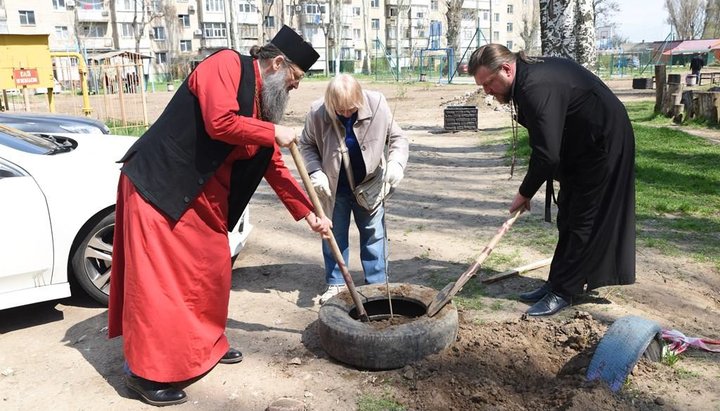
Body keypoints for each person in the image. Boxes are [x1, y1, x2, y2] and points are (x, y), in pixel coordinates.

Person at [108, 25, 332, 406]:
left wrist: (310, 213)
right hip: (159, 187)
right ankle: (146, 374)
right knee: (158, 286)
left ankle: (205, 348)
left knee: (211, 272)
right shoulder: (226, 64)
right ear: (278, 63)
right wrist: (273, 131)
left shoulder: (264, 105)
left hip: (203, 201)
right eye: (293, 80)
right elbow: (220, 122)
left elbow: (273, 165)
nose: (294, 89)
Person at [468, 44, 635, 316]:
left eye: (488, 83)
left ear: (507, 69)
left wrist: (524, 193)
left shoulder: (534, 86)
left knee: (583, 220)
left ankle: (565, 291)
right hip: (582, 145)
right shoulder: (526, 79)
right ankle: (556, 282)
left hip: (603, 144)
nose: (486, 91)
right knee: (568, 215)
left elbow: (546, 154)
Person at [299, 74, 409, 304]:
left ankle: (377, 284)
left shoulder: (377, 103)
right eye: (340, 110)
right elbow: (307, 145)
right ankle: (336, 282)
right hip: (332, 186)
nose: (346, 114)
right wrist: (314, 171)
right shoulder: (317, 111)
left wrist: (397, 163)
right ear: (330, 103)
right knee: (334, 234)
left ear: (359, 99)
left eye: (351, 109)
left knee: (374, 233)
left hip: (369, 184)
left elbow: (397, 138)